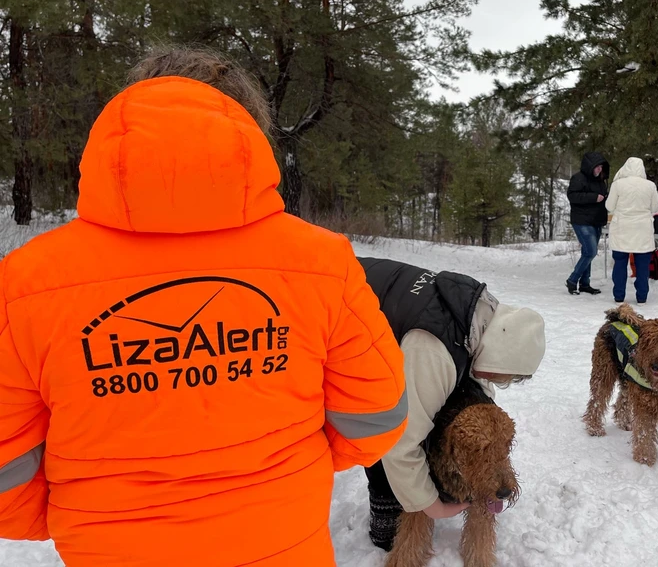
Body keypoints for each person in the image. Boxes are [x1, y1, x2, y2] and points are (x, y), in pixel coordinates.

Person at [0, 48, 407, 567]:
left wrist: (86, 517)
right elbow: (376, 416)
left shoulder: (27, 281)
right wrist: (286, 471)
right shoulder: (321, 261)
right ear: (247, 131)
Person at [357, 257, 546, 552]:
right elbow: (400, 440)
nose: (496, 383)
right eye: (501, 377)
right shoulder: (432, 350)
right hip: (322, 309)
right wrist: (431, 505)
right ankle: (385, 500)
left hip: (367, 291)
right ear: (498, 355)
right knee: (379, 417)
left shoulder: (482, 315)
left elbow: (476, 380)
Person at [606, 157, 658, 304]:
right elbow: (655, 208)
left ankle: (619, 295)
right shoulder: (650, 185)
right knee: (642, 266)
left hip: (621, 229)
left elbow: (609, 206)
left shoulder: (618, 184)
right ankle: (642, 296)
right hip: (642, 229)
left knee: (620, 263)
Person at [566, 152, 610, 295]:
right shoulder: (578, 178)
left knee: (587, 252)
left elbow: (602, 198)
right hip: (582, 221)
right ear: (590, 166)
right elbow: (572, 196)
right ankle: (573, 280)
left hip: (596, 220)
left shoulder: (601, 181)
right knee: (591, 251)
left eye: (601, 167)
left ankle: (585, 283)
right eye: (597, 167)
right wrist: (593, 198)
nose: (599, 170)